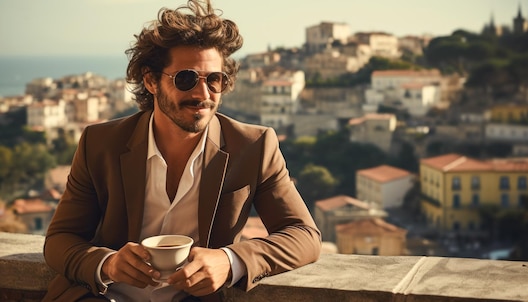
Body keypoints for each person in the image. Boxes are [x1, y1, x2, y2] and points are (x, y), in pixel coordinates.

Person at [42, 1, 321, 301]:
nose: (203, 94)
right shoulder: (100, 143)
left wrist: (230, 261)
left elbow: (304, 236)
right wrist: (108, 264)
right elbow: (60, 240)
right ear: (150, 80)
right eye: (186, 78)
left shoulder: (254, 147)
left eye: (215, 80)